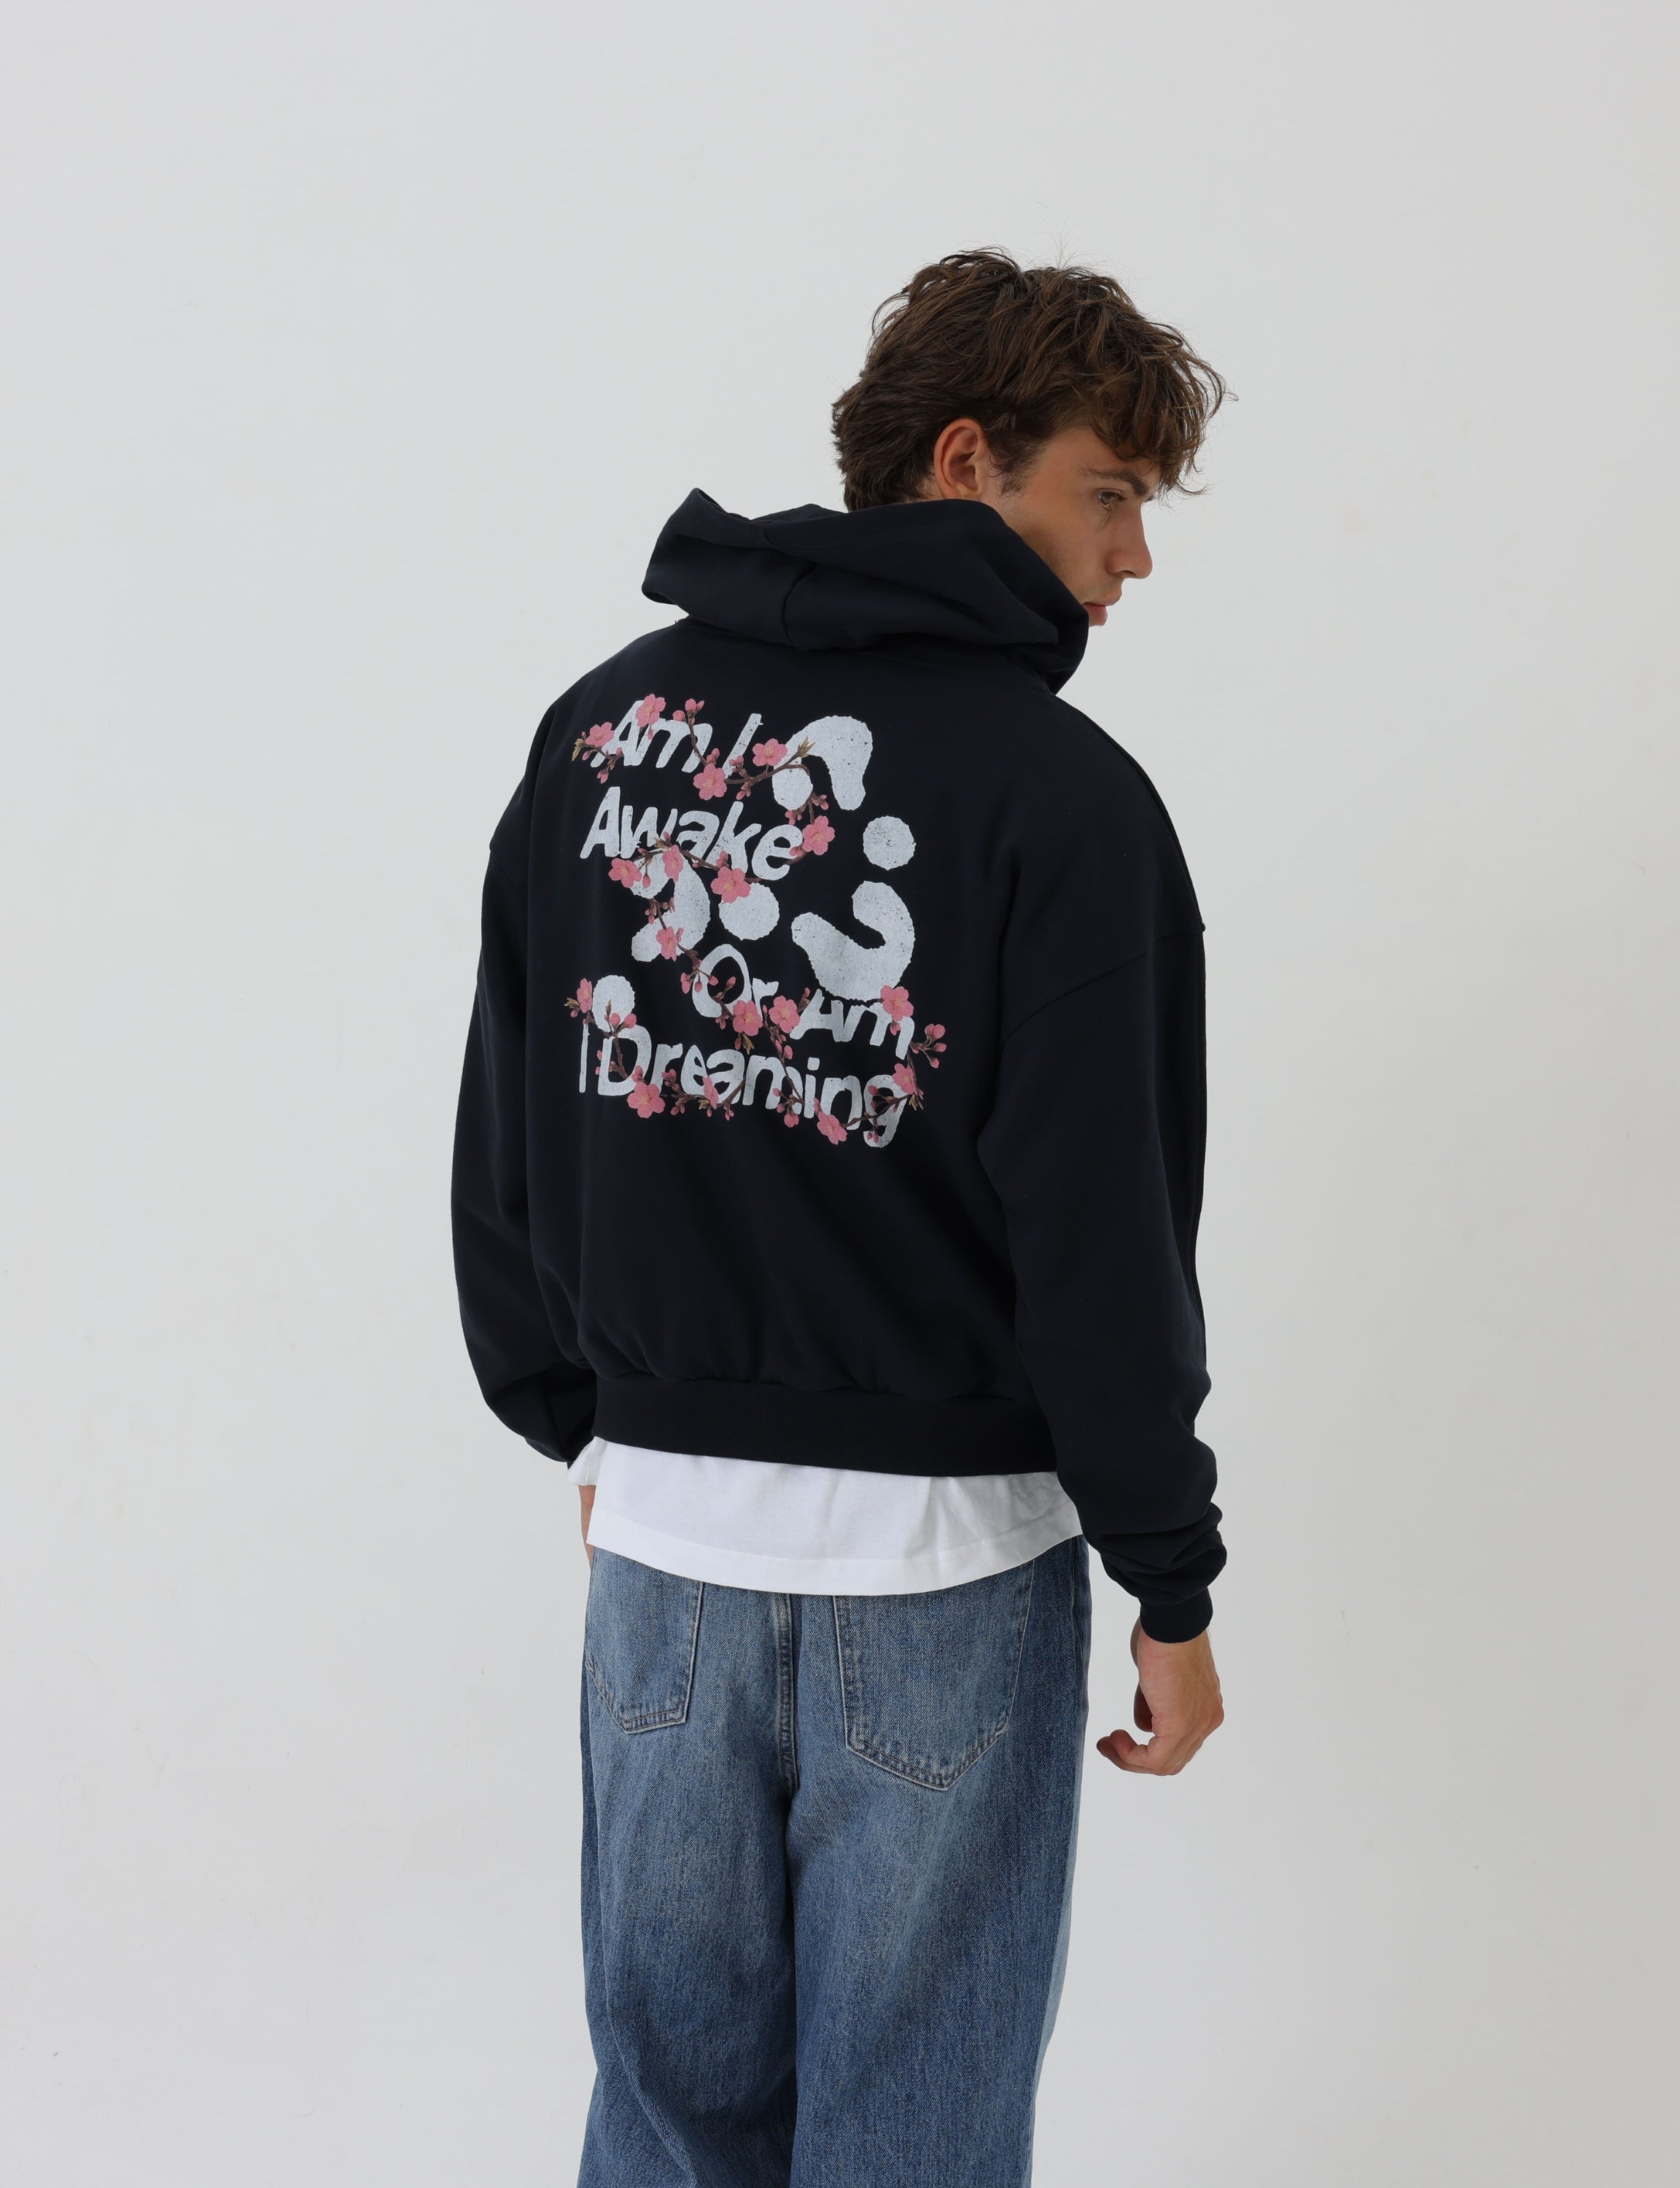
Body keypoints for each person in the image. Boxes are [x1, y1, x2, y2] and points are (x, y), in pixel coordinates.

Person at [452, 248, 1229, 2187]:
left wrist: (597, 1423)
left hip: (663, 1562)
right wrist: (1171, 1579)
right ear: (967, 460)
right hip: (948, 1579)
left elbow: (512, 1123)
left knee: (666, 2122)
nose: (1132, 558)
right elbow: (1103, 1233)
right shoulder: (1061, 800)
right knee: (917, 2141)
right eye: (1108, 495)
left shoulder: (603, 733)